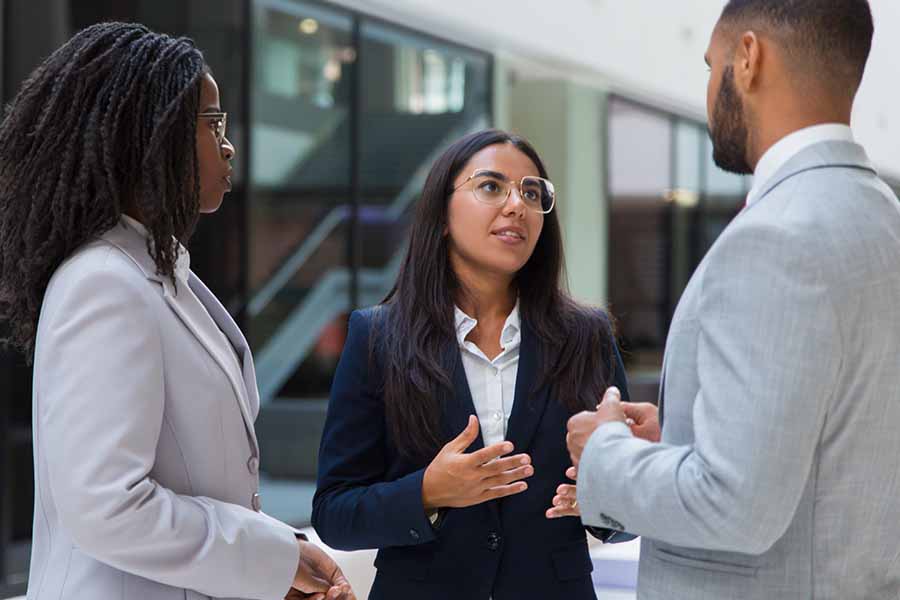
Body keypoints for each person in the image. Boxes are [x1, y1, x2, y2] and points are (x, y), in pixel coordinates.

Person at [0, 22, 354, 600]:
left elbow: (199, 482)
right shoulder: (104, 284)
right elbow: (108, 506)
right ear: (149, 135)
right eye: (212, 125)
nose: (229, 144)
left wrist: (279, 559)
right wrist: (272, 557)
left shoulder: (154, 272)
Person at [564, 1, 900, 598]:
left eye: (710, 64)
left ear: (748, 58)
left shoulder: (776, 236)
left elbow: (734, 506)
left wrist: (605, 451)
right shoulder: (883, 221)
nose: (708, 90)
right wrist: (689, 437)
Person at [312, 129, 631, 599]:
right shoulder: (377, 337)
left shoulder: (587, 336)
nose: (516, 205)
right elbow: (335, 513)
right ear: (442, 214)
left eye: (531, 192)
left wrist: (605, 502)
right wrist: (426, 491)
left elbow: (631, 510)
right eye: (491, 186)